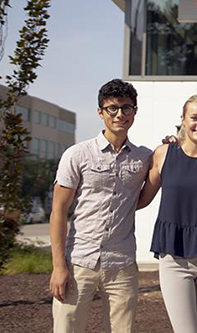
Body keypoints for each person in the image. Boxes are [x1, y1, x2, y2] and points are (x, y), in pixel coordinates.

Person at [49, 79, 152, 333]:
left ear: (135, 112)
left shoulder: (145, 157)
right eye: (112, 108)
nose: (120, 114)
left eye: (127, 108)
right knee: (66, 328)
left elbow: (140, 200)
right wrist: (59, 266)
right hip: (79, 261)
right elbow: (58, 211)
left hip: (122, 264)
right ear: (100, 112)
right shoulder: (77, 154)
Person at [136, 94, 197, 333]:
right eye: (194, 117)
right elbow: (140, 199)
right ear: (182, 120)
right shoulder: (163, 154)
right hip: (174, 258)